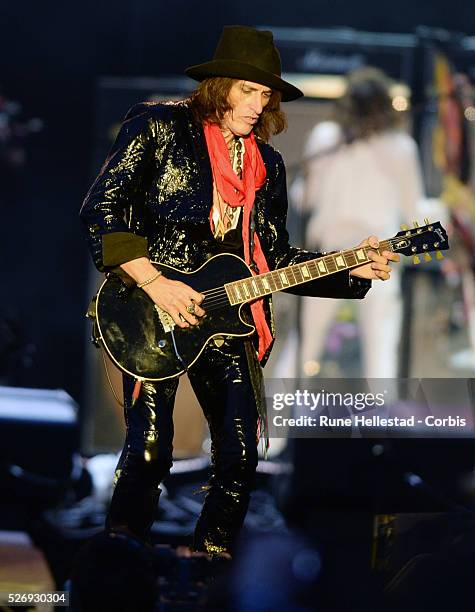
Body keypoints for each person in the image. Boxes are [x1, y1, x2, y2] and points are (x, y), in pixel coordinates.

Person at [79, 26, 399, 556]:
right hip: (151, 306)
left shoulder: (266, 165)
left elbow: (274, 261)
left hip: (230, 318)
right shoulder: (159, 128)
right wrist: (157, 283)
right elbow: (101, 209)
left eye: (266, 94)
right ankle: (121, 560)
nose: (259, 103)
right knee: (152, 451)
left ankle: (210, 566)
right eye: (249, 90)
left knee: (240, 455)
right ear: (220, 85)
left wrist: (351, 269)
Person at [277, 67, 424, 379]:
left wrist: (301, 188)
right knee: (380, 355)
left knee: (302, 348)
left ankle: (273, 427)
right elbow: (414, 214)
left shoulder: (325, 136)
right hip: (377, 255)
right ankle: (380, 427)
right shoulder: (400, 147)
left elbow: (308, 199)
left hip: (329, 255)